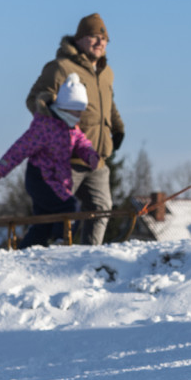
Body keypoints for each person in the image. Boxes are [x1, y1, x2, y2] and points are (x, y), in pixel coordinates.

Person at [26, 13, 124, 245]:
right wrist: (49, 108)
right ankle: (43, 253)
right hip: (66, 158)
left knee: (101, 209)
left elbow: (109, 104)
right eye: (93, 36)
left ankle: (90, 255)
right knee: (57, 215)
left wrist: (118, 128)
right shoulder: (61, 68)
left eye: (104, 38)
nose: (100, 42)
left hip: (96, 159)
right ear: (79, 39)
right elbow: (33, 99)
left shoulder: (106, 72)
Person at [0, 74, 102, 249]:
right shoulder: (45, 126)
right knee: (69, 206)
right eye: (77, 111)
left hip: (56, 179)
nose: (80, 115)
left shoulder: (71, 127)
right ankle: (62, 240)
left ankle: (27, 249)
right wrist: (2, 167)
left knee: (43, 221)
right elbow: (21, 147)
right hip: (40, 178)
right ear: (66, 108)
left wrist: (90, 155)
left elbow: (82, 143)